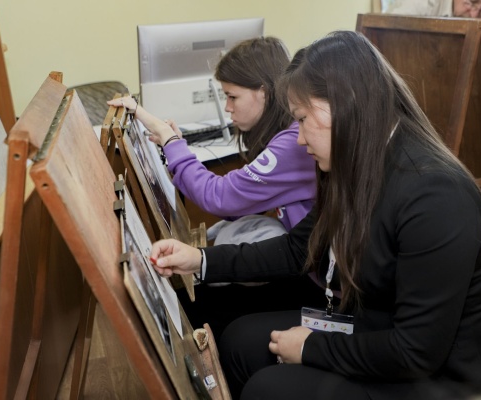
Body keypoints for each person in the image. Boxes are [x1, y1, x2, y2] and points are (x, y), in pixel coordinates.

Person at [149, 30, 481, 399]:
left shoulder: (437, 196)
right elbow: (298, 249)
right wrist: (200, 260)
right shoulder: (357, 163)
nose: (299, 138)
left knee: (267, 389)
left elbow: (416, 351)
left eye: (302, 119)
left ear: (344, 104)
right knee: (240, 342)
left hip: (447, 380)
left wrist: (312, 347)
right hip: (376, 328)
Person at [108, 36, 325, 336]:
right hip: (303, 265)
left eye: (233, 97)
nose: (227, 107)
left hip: (313, 281)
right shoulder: (287, 135)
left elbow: (220, 197)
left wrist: (172, 142)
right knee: (196, 301)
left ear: (264, 91)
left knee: (198, 311)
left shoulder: (293, 144)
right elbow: (239, 204)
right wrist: (175, 147)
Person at [382, 0, 481, 47]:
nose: (474, 15)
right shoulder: (418, 4)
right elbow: (386, 39)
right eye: (471, 2)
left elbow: (480, 60)